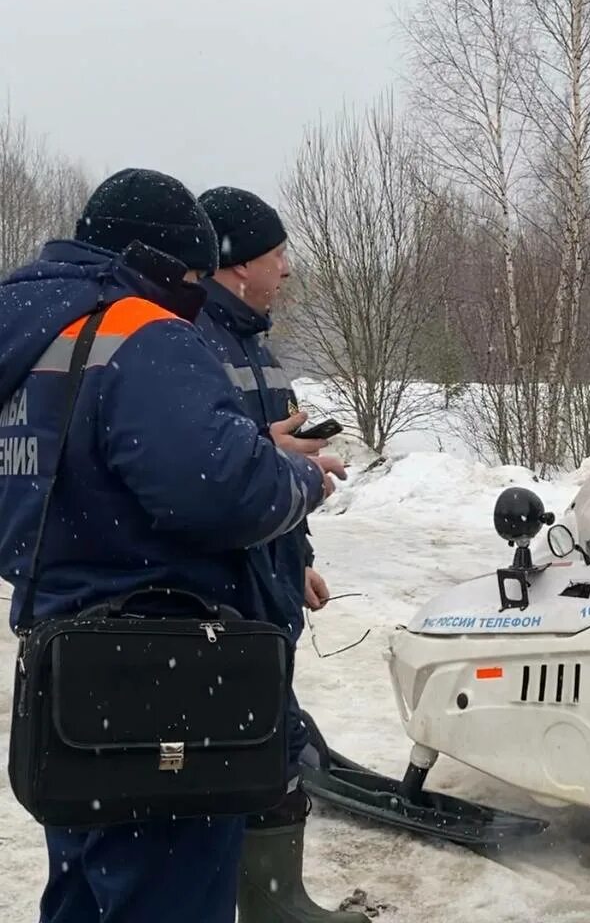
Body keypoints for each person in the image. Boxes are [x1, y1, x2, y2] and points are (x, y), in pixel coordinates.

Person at [0, 167, 346, 923]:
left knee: (85, 891)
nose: (191, 298)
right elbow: (222, 488)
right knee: (168, 892)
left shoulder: (28, 332)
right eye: (191, 276)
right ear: (159, 262)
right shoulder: (138, 331)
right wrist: (300, 480)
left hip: (65, 668)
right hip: (163, 675)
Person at [194, 185, 363, 923]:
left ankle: (274, 900)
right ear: (233, 264)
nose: (286, 270)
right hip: (220, 594)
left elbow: (271, 469)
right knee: (244, 748)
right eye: (275, 255)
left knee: (266, 738)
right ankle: (260, 904)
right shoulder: (192, 344)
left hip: (267, 582)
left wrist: (295, 557)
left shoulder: (256, 348)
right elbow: (203, 475)